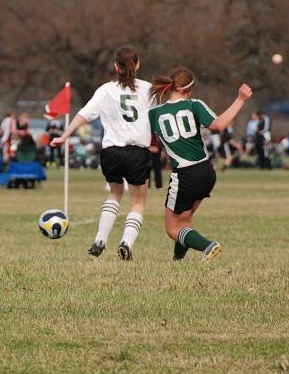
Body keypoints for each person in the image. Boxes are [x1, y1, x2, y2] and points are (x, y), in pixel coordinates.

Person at [50, 45, 153, 261]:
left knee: (115, 193)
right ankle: (126, 243)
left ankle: (100, 239)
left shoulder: (106, 89)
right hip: (137, 153)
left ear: (116, 66)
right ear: (138, 64)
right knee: (137, 202)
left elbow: (84, 115)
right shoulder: (148, 89)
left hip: (111, 152)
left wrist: (64, 136)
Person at [148, 67, 252, 262]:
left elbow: (146, 139)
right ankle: (177, 260)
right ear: (189, 90)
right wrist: (240, 99)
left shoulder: (154, 113)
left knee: (172, 228)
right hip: (206, 172)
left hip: (185, 175)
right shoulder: (194, 105)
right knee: (185, 220)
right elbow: (219, 125)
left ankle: (208, 245)